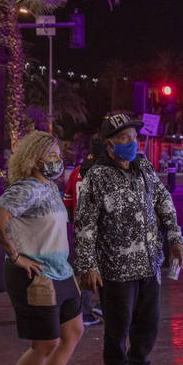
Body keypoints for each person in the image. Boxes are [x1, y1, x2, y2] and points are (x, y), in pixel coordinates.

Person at [74, 113, 183, 365]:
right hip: (116, 268)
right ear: (109, 143)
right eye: (124, 138)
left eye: (133, 137)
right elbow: (85, 225)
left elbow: (163, 201)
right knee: (118, 325)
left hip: (150, 264)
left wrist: (174, 238)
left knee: (148, 322)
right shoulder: (96, 177)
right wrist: (88, 265)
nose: (131, 143)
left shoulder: (144, 168)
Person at [0, 130, 85, 365]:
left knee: (73, 332)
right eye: (51, 155)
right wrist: (16, 257)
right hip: (36, 274)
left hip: (60, 272)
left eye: (58, 155)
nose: (57, 160)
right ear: (34, 158)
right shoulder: (26, 188)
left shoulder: (50, 188)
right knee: (45, 343)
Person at [64, 138, 106, 326]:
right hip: (100, 229)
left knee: (85, 270)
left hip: (80, 229)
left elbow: (67, 200)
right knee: (103, 268)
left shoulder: (76, 172)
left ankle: (93, 309)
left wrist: (74, 221)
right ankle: (87, 312)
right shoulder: (105, 172)